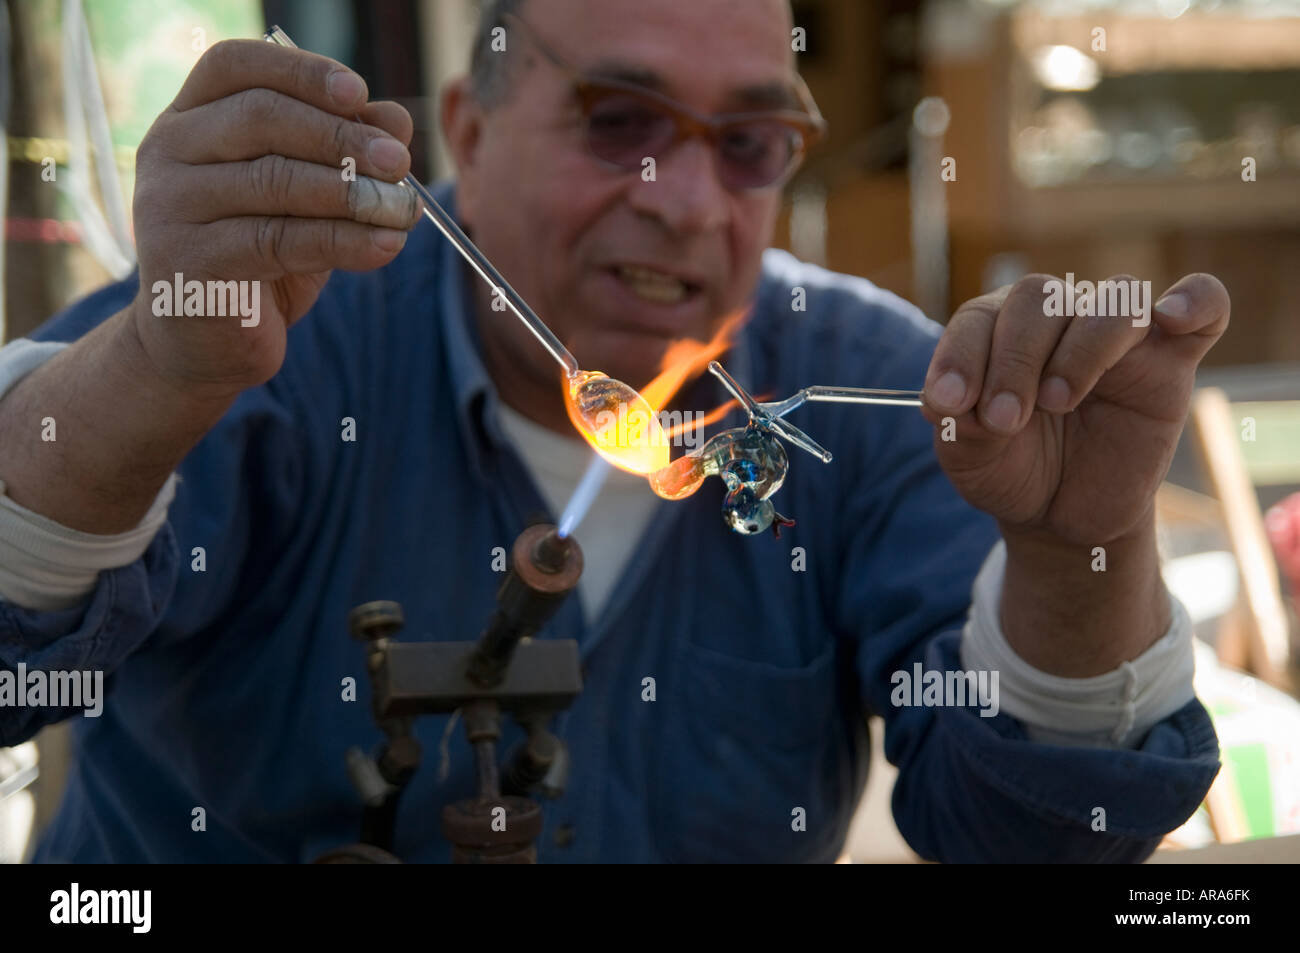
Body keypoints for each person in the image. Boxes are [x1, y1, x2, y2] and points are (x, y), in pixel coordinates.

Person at [0, 0, 1224, 863]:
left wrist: (1082, 551)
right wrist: (155, 373)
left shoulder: (870, 380)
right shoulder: (273, 321)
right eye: (619, 122)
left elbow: (1035, 833)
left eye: (746, 146)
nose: (687, 204)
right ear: (466, 132)